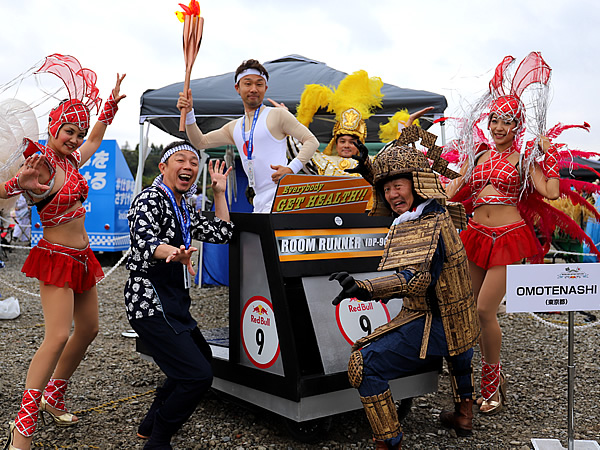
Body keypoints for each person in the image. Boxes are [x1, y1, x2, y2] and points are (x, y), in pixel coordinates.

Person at [445, 52, 600, 414]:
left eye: (508, 122)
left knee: (485, 309)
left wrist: (551, 159)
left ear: (518, 127)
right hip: (476, 234)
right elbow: (455, 188)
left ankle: (491, 386)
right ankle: (469, 382)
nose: (500, 127)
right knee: (467, 308)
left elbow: (550, 192)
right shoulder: (478, 156)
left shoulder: (523, 160)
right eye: (496, 120)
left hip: (508, 237)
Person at [0, 54, 125, 450]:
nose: (74, 138)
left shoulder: (72, 160)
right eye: (68, 130)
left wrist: (107, 110)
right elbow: (10, 189)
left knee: (89, 329)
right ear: (55, 127)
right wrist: (16, 184)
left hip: (83, 257)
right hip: (55, 256)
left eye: (77, 132)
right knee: (56, 336)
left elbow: (93, 141)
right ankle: (22, 426)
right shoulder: (41, 163)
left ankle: (54, 394)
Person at [330, 126, 480, 449]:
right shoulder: (437, 212)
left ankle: (390, 440)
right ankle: (464, 411)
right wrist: (368, 163)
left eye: (398, 186)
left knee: (362, 364)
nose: (392, 195)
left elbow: (417, 279)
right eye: (386, 189)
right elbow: (390, 176)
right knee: (460, 350)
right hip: (461, 323)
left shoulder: (424, 224)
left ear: (416, 183)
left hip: (434, 325)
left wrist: (364, 288)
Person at [124, 141, 234, 449]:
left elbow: (222, 232)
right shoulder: (149, 199)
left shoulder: (183, 205)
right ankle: (159, 438)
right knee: (197, 376)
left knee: (199, 360)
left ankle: (150, 424)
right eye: (180, 160)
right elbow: (144, 242)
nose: (188, 166)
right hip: (149, 299)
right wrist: (176, 253)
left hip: (174, 299)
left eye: (193, 162)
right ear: (163, 167)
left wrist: (219, 193)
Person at [177, 59, 319, 213]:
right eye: (248, 83)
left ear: (265, 88)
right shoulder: (234, 127)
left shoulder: (278, 115)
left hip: (280, 194)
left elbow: (311, 141)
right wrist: (189, 113)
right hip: (258, 198)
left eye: (259, 84)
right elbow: (200, 142)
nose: (253, 89)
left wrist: (291, 169)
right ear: (237, 88)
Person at [295, 70, 383, 177]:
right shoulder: (323, 162)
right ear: (335, 144)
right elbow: (298, 147)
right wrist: (285, 118)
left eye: (352, 142)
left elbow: (395, 153)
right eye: (342, 141)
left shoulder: (372, 164)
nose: (346, 146)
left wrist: (402, 129)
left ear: (360, 145)